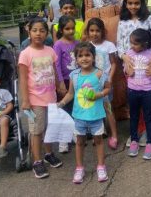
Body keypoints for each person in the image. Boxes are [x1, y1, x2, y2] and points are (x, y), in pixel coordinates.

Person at [58, 42, 111, 184]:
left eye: (87, 55)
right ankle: (79, 168)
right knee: (80, 142)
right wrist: (61, 104)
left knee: (98, 141)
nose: (84, 58)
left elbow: (107, 89)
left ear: (93, 57)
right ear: (76, 59)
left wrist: (98, 95)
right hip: (79, 116)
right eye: (80, 56)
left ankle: (101, 166)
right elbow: (70, 93)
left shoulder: (100, 73)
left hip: (96, 115)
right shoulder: (74, 75)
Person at [18, 17, 62, 179]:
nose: (38, 33)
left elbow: (54, 71)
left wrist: (60, 86)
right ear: (28, 32)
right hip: (35, 101)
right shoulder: (25, 54)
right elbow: (22, 79)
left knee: (50, 129)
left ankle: (48, 154)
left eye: (42, 30)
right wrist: (25, 100)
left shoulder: (50, 50)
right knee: (36, 131)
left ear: (47, 34)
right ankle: (37, 161)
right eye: (35, 30)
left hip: (51, 98)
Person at [117, 0, 151, 147]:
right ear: (125, 4)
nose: (133, 6)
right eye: (130, 3)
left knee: (145, 98)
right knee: (133, 99)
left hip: (146, 64)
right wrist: (124, 57)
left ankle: (146, 130)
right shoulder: (122, 21)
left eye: (136, 3)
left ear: (141, 3)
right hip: (130, 66)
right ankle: (136, 132)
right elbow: (119, 44)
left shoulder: (148, 19)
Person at [85, 18, 118, 150]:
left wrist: (109, 78)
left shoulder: (109, 45)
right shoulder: (87, 45)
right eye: (92, 30)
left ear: (102, 31)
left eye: (97, 31)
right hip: (92, 83)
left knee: (108, 110)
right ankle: (98, 133)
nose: (95, 33)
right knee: (94, 110)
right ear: (88, 32)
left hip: (105, 84)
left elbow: (114, 63)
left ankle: (114, 135)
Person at [125, 29, 151, 160]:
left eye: (135, 44)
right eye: (131, 43)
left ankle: (150, 143)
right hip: (132, 90)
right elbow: (126, 70)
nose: (132, 46)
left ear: (144, 44)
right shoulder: (128, 54)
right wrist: (128, 71)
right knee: (134, 116)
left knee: (148, 117)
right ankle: (134, 140)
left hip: (147, 91)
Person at [53, 15, 79, 153]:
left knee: (75, 108)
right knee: (64, 110)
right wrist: (60, 82)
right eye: (67, 29)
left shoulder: (77, 42)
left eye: (72, 28)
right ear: (61, 30)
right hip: (65, 80)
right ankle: (63, 140)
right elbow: (56, 64)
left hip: (76, 79)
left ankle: (74, 134)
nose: (70, 31)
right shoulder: (58, 44)